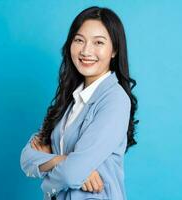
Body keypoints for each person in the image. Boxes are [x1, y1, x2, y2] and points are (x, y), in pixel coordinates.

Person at [20, 6, 138, 200]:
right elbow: (26, 159)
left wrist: (50, 180)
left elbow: (71, 173)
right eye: (79, 40)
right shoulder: (68, 99)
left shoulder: (115, 100)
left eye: (98, 42)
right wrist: (62, 159)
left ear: (114, 50)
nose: (86, 51)